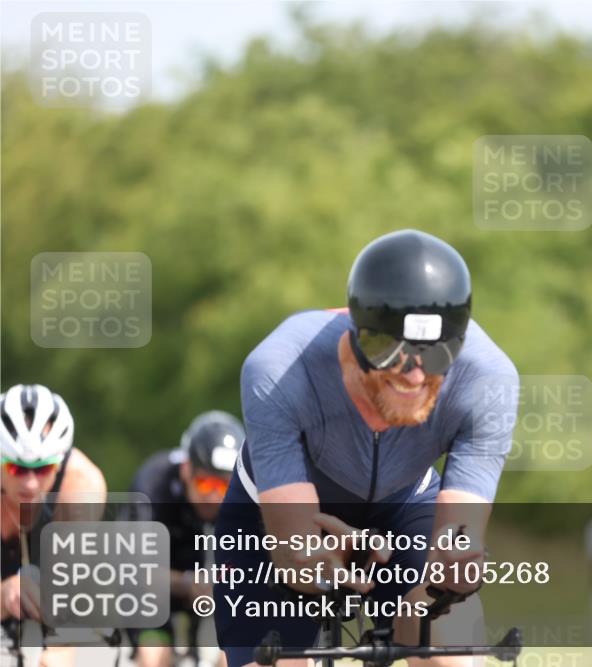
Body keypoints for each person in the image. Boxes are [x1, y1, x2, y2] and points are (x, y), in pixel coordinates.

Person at [213, 229, 519, 667]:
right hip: (281, 507)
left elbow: (457, 541)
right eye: (389, 351)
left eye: (437, 355)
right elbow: (292, 550)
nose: (413, 374)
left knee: (452, 650)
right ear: (356, 335)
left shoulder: (487, 380)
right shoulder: (280, 367)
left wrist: (451, 574)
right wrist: (315, 558)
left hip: (403, 499)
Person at [0, 384, 107, 667]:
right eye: (16, 468)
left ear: (59, 463)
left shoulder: (83, 484)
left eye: (43, 468)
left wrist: (63, 648)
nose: (30, 483)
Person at [127, 411, 245, 667]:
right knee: (154, 658)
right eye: (204, 483)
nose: (213, 496)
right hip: (154, 595)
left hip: (221, 596)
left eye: (223, 486)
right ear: (186, 469)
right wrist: (185, 583)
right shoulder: (154, 484)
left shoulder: (248, 498)